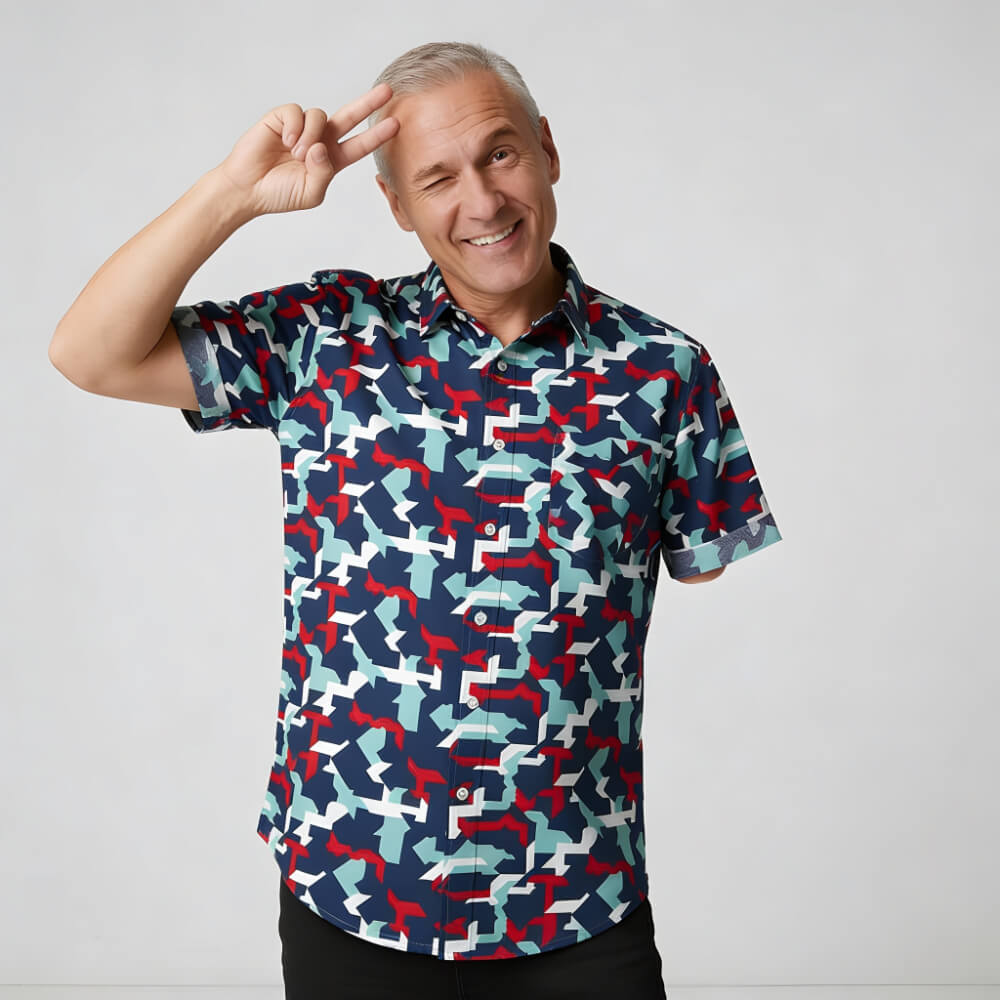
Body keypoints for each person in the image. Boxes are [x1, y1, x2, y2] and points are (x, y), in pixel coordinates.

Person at [49, 40, 782, 1000]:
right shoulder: (325, 337)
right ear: (395, 205)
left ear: (550, 150)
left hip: (577, 899)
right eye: (436, 177)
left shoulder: (665, 371)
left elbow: (704, 559)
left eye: (501, 154)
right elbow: (88, 353)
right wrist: (234, 194)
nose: (480, 201)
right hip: (354, 897)